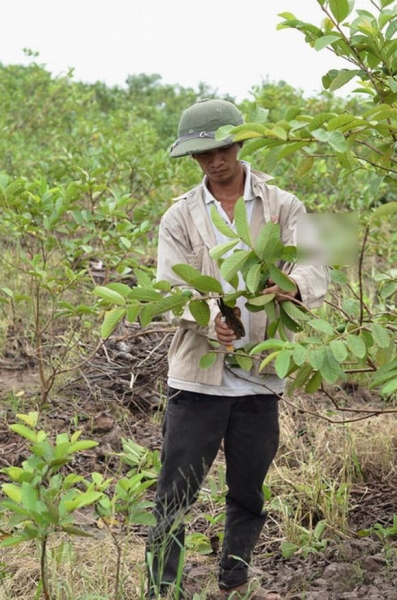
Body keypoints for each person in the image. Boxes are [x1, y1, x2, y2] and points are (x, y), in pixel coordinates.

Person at [146, 99, 329, 599]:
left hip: (261, 373)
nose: (214, 162)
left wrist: (292, 285)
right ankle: (164, 590)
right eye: (201, 154)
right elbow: (172, 289)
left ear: (239, 142)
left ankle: (236, 582)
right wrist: (208, 321)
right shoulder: (180, 215)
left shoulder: (282, 205)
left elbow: (315, 264)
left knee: (248, 492)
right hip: (197, 379)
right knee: (175, 495)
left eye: (221, 148)